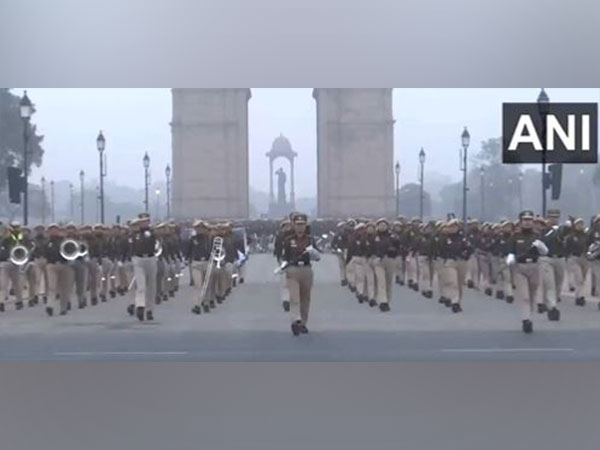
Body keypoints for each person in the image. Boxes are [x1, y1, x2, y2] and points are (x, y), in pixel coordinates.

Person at [506, 210, 554, 333]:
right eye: (525, 220)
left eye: (529, 220)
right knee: (525, 297)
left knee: (532, 295)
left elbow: (546, 252)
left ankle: (528, 314)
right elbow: (511, 253)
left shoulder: (537, 236)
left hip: (534, 267)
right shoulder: (515, 237)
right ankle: (526, 319)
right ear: (520, 222)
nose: (527, 222)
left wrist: (541, 247)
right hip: (520, 268)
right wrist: (511, 260)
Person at [281, 212, 320, 336]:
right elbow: (285, 256)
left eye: (302, 224)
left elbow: (318, 257)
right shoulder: (288, 240)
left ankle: (303, 323)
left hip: (307, 270)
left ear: (306, 225)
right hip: (293, 270)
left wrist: (312, 252)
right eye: (297, 224)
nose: (300, 227)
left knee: (305, 298)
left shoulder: (310, 239)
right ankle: (295, 320)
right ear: (293, 225)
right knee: (294, 298)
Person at [130, 213, 158, 321]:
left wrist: (150, 234)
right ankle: (140, 306)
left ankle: (150, 309)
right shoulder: (134, 234)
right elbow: (132, 246)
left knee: (151, 286)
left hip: (150, 258)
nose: (144, 223)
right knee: (141, 285)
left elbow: (154, 244)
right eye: (142, 222)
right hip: (139, 259)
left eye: (146, 221)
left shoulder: (152, 233)